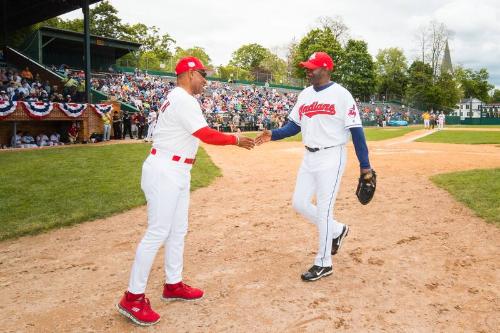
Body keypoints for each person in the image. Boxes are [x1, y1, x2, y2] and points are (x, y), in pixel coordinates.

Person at [117, 56, 255, 326]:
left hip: (176, 169)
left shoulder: (178, 97)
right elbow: (205, 134)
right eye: (203, 74)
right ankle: (132, 298)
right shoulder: (182, 98)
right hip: (166, 169)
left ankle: (173, 284)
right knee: (158, 231)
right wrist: (235, 139)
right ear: (189, 73)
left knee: (177, 230)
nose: (206, 80)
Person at [255, 51, 374, 282]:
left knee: (324, 209)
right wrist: (274, 134)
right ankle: (338, 230)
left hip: (332, 156)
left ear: (326, 69)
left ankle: (324, 262)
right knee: (299, 203)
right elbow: (294, 126)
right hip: (309, 157)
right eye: (307, 68)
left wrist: (365, 167)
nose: (308, 71)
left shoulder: (342, 95)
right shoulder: (306, 94)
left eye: (312, 68)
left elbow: (357, 132)